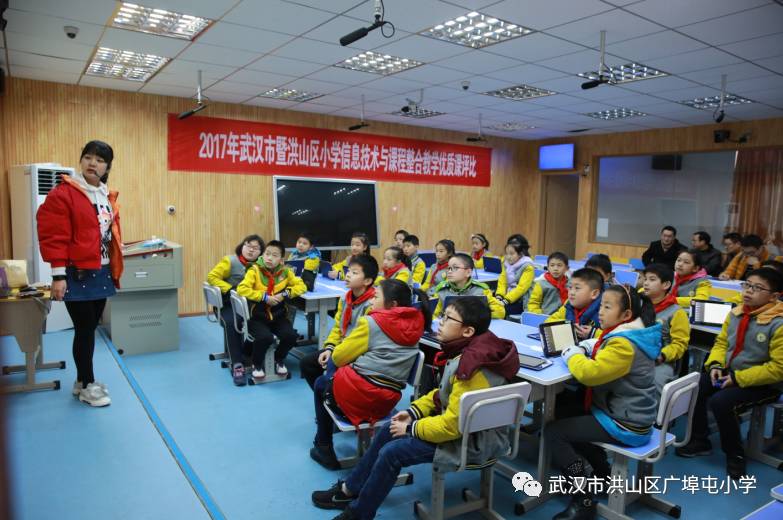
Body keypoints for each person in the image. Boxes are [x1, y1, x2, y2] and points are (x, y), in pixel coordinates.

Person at [311, 297, 519, 519]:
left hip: (473, 442)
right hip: (465, 430)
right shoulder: (470, 350)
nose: (440, 321)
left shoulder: (471, 366)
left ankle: (359, 513)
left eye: (448, 318)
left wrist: (411, 429)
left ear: (468, 331)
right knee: (391, 429)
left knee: (393, 452)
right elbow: (443, 393)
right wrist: (413, 412)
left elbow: (451, 426)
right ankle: (349, 489)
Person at [547, 285, 661, 520]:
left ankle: (584, 499)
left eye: (607, 307)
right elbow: (605, 343)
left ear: (626, 315)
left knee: (554, 433)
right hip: (627, 411)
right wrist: (591, 343)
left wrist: (573, 354)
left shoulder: (624, 344)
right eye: (601, 306)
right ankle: (602, 473)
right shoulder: (632, 333)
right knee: (566, 409)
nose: (600, 312)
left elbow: (589, 374)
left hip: (625, 422)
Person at [310, 279, 431, 470]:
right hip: (387, 402)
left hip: (361, 397)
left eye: (376, 297)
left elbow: (339, 357)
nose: (371, 302)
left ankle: (323, 446)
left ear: (392, 305)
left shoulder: (372, 322)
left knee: (320, 383)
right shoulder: (416, 323)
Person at [36, 140, 122, 407]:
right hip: (77, 273)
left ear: (107, 167)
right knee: (84, 331)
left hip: (102, 270)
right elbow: (54, 235)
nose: (92, 163)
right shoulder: (65, 193)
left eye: (99, 159)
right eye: (87, 157)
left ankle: (81, 381)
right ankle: (87, 384)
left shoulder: (106, 195)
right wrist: (58, 276)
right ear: (81, 161)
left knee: (89, 329)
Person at [676, 269, 783, 480]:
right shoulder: (736, 313)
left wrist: (737, 379)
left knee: (721, 402)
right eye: (747, 285)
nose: (749, 291)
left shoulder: (778, 323)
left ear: (774, 296)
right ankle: (700, 440)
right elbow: (722, 343)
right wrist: (715, 364)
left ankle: (735, 455)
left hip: (766, 383)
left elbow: (778, 368)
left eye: (757, 288)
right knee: (696, 385)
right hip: (732, 371)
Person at [299, 255, 379, 390]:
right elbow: (338, 327)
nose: (348, 275)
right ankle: (327, 399)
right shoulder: (345, 299)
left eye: (354, 273)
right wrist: (330, 348)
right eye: (348, 271)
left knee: (334, 373)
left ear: (367, 280)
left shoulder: (372, 304)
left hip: (361, 353)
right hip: (342, 347)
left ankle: (333, 397)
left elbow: (362, 341)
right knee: (307, 364)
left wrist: (336, 354)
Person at [238, 240, 306, 381]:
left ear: (281, 260)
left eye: (274, 255)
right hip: (257, 316)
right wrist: (264, 297)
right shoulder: (254, 270)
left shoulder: (286, 272)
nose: (269, 258)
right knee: (265, 337)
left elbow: (302, 287)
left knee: (291, 336)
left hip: (278, 316)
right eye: (267, 254)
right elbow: (242, 289)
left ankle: (278, 359)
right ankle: (257, 364)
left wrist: (285, 294)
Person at [206, 234, 264, 386]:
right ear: (242, 246)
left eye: (256, 248)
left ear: (261, 252)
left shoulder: (260, 266)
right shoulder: (230, 261)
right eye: (248, 246)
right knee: (233, 323)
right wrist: (231, 288)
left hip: (249, 304)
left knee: (262, 322)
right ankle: (237, 364)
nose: (251, 250)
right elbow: (212, 277)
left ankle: (246, 351)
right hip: (226, 304)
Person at [642, 264, 690, 396]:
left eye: (652, 280)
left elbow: (679, 345)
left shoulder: (677, 312)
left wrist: (662, 355)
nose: (646, 283)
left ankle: (656, 416)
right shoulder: (640, 305)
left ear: (666, 285)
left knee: (654, 383)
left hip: (661, 361)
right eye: (645, 279)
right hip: (638, 354)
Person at [431, 253, 504, 319]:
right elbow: (434, 315)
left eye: (455, 268)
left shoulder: (481, 290)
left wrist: (476, 312)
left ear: (468, 272)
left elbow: (500, 312)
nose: (449, 271)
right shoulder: (442, 290)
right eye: (449, 268)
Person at [546, 268, 605, 340]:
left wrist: (593, 333)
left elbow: (614, 336)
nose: (571, 292)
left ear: (594, 294)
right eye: (570, 287)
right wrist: (567, 326)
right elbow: (548, 322)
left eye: (577, 288)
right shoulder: (568, 306)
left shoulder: (604, 311)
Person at [495, 237, 535, 314]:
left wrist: (505, 301)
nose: (508, 256)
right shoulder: (506, 264)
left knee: (498, 311)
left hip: (522, 300)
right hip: (507, 296)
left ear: (520, 254)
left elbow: (521, 288)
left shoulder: (528, 266)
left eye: (512, 253)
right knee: (490, 305)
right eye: (506, 253)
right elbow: (502, 282)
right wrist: (499, 297)